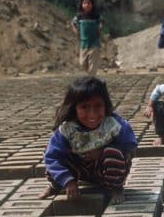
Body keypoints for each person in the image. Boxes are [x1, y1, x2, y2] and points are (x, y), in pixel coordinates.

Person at [41, 76, 137, 204]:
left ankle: (115, 188)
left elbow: (130, 147)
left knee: (113, 154)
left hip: (103, 170)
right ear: (74, 108)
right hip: (78, 170)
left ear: (105, 105)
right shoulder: (67, 129)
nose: (92, 114)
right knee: (50, 156)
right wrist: (68, 181)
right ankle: (57, 186)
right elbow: (52, 158)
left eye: (98, 106)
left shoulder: (114, 124)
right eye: (84, 107)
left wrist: (102, 151)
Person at [71, 0, 103, 75]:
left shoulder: (96, 16)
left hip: (94, 42)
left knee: (92, 64)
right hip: (84, 43)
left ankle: (91, 80)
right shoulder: (79, 16)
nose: (87, 5)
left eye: (89, 3)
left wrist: (100, 27)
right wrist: (76, 31)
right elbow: (73, 23)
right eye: (85, 3)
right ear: (82, 5)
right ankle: (89, 76)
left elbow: (101, 21)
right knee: (82, 63)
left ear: (92, 5)